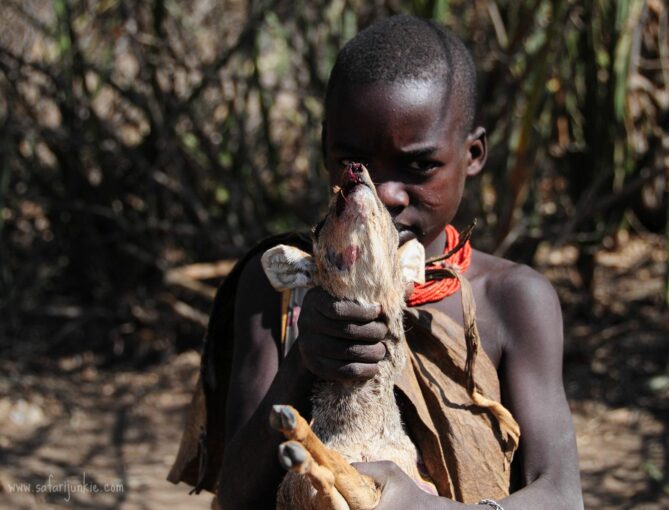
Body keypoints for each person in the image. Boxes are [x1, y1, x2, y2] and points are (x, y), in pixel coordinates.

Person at [187, 15, 582, 510]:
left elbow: (562, 495)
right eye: (354, 165)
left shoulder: (513, 300)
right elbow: (236, 499)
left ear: (473, 153)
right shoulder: (279, 286)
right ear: (324, 148)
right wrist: (303, 362)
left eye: (419, 166)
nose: (384, 194)